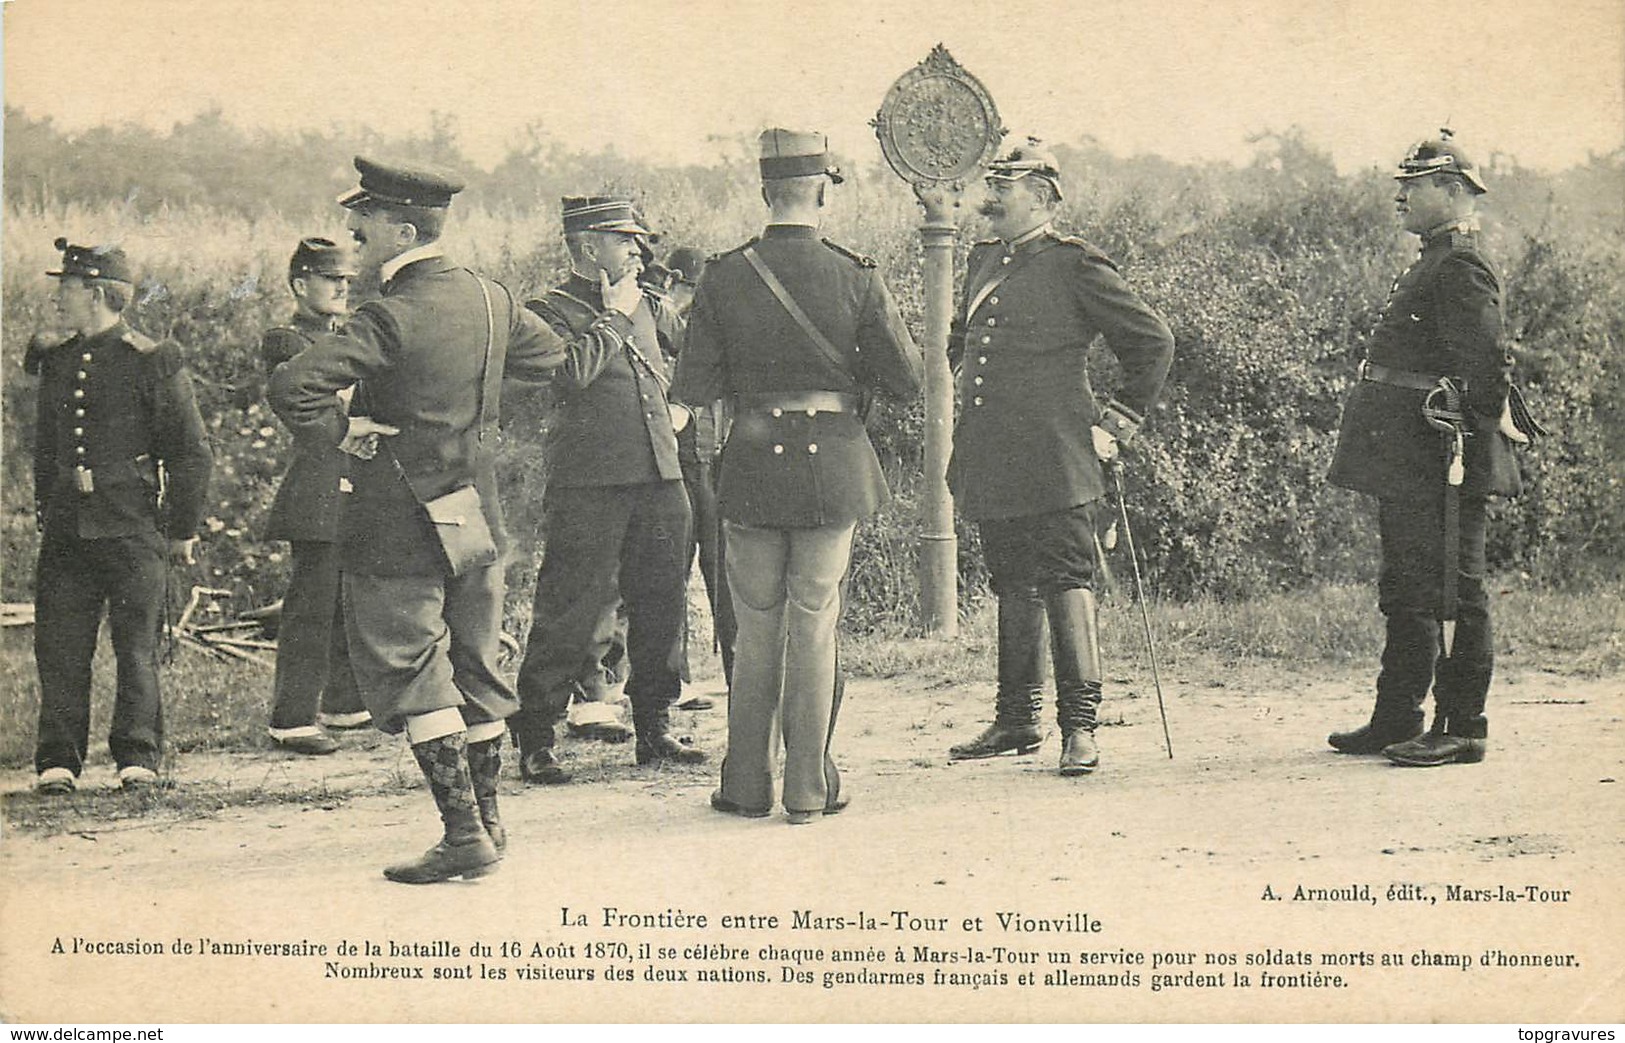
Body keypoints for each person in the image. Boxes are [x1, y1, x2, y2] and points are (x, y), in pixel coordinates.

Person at [268, 156, 586, 883]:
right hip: (472, 509)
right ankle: (490, 828)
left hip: (394, 516)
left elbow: (294, 384)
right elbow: (555, 361)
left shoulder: (389, 312)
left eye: (364, 222)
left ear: (403, 228)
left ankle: (463, 833)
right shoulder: (489, 296)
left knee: (414, 671)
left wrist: (342, 432)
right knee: (475, 664)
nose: (352, 232)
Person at [672, 128, 922, 823]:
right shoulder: (856, 273)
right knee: (814, 621)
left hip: (751, 463)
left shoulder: (723, 275)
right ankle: (810, 788)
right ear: (819, 191)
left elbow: (692, 383)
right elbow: (904, 379)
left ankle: (746, 783)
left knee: (755, 627)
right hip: (833, 465)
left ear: (764, 191)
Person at [945, 136, 1174, 777]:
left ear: (1041, 198)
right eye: (990, 186)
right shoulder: (984, 258)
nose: (988, 199)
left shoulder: (1074, 265)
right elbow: (962, 340)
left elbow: (1152, 341)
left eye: (1003, 189)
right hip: (994, 453)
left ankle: (1080, 728)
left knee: (1068, 581)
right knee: (1010, 581)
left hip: (1056, 455)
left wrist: (1118, 422)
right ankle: (1018, 719)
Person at [1327, 131, 1531, 767]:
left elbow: (1486, 363)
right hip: (1410, 454)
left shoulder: (1460, 265)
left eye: (1413, 187)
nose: (1401, 197)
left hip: (1445, 454)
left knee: (1455, 588)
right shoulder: (1430, 260)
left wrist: (1476, 433)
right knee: (1408, 585)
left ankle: (1463, 724)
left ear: (1454, 191)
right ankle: (1397, 716)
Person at [509, 196, 706, 786]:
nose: (638, 250)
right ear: (589, 244)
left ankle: (655, 726)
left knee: (662, 606)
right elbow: (570, 375)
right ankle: (537, 737)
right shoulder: (548, 311)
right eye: (625, 240)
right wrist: (615, 319)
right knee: (570, 608)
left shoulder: (649, 303)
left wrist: (686, 406)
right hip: (590, 483)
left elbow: (697, 355)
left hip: (661, 477)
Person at [29, 238, 213, 795]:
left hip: (132, 525)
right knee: (59, 645)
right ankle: (58, 760)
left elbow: (191, 450)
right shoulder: (57, 361)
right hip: (67, 527)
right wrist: (46, 508)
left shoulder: (151, 361)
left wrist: (181, 527)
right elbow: (44, 447)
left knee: (136, 647)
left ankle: (138, 757)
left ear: (98, 294)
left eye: (68, 287)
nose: (59, 297)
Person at [260, 237, 370, 755]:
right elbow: (307, 409)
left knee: (348, 594)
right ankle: (292, 716)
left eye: (346, 279)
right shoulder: (285, 342)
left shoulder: (344, 335)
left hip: (356, 478)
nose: (342, 287)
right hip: (319, 482)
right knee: (311, 602)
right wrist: (353, 422)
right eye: (331, 279)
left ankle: (343, 703)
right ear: (301, 285)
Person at [666, 245, 737, 700]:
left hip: (709, 460)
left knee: (721, 575)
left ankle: (736, 674)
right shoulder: (666, 323)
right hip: (682, 462)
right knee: (672, 575)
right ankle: (677, 680)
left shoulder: (712, 326)